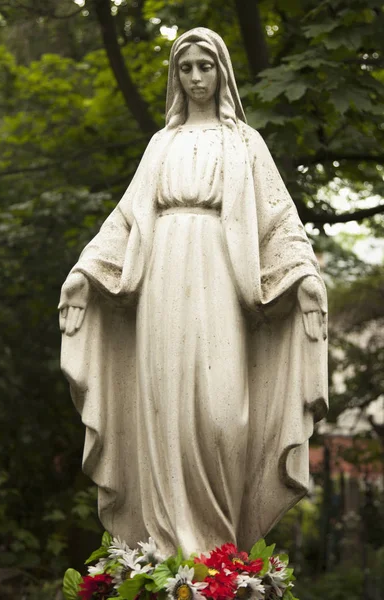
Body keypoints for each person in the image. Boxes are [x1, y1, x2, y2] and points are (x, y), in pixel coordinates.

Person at [59, 28, 328, 557]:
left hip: (221, 277)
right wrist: (84, 271)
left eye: (206, 66)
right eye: (187, 69)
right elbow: (126, 219)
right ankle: (166, 548)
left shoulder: (245, 143)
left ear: (221, 72)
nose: (197, 78)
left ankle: (219, 555)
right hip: (161, 278)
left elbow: (277, 221)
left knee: (224, 412)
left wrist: (305, 277)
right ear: (176, 77)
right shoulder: (163, 144)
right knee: (163, 406)